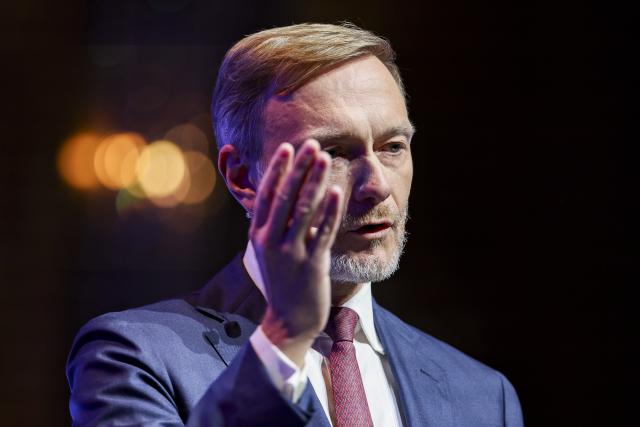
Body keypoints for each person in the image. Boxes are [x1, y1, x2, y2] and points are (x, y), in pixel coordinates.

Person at [67, 23, 523, 426]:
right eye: (334, 153)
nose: (377, 186)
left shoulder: (484, 396)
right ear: (244, 176)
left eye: (392, 147)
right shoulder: (133, 357)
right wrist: (284, 337)